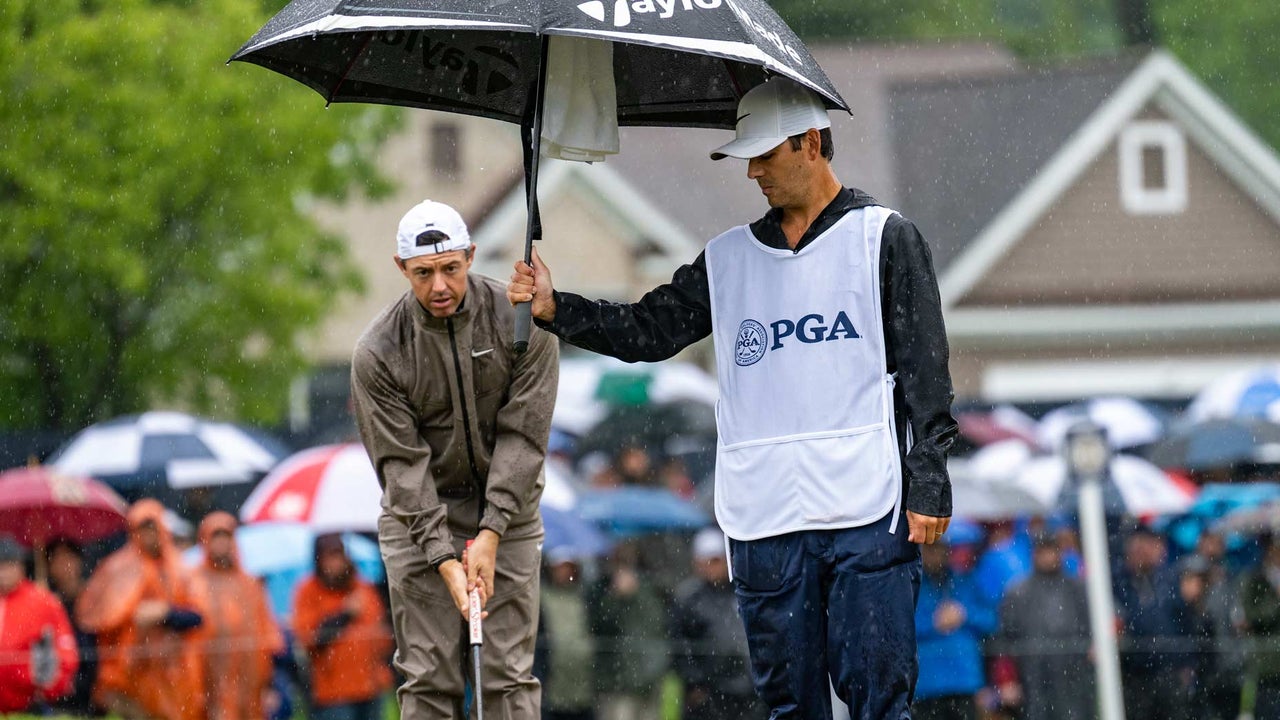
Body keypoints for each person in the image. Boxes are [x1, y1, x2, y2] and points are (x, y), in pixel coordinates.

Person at [508, 76, 957, 718]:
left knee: (880, 698)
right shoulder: (728, 260)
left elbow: (926, 372)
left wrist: (930, 479)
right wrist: (558, 308)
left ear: (810, 143)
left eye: (765, 154)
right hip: (764, 513)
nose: (752, 172)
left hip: (866, 502)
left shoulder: (885, 238)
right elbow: (649, 329)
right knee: (786, 706)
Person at [351, 199, 559, 718]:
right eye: (423, 273)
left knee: (508, 678)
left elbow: (524, 438)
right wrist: (443, 557)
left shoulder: (522, 323)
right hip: (419, 518)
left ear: (470, 255)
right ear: (402, 269)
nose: (439, 286)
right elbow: (400, 465)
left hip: (509, 516)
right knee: (429, 681)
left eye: (449, 268)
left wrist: (491, 531)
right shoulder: (377, 352)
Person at [75, 499, 205, 720]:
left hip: (175, 676)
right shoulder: (117, 568)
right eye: (142, 529)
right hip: (128, 679)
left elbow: (198, 616)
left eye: (153, 528)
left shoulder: (180, 568)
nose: (149, 536)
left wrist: (165, 613)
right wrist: (130, 616)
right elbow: (96, 619)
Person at [189, 512, 283, 720]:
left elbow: (268, 633)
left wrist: (270, 683)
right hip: (209, 681)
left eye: (226, 535)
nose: (221, 542)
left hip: (250, 680)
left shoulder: (249, 584)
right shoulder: (192, 583)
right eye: (215, 536)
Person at [292, 533, 393, 720]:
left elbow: (381, 635)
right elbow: (308, 639)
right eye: (329, 557)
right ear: (318, 560)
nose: (335, 562)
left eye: (338, 555)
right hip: (333, 693)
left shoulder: (363, 588)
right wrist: (344, 614)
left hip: (371, 687)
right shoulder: (307, 591)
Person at [993, 531, 1092, 720]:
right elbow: (1004, 638)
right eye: (1043, 551)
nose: (1048, 556)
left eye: (1052, 550)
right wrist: (1008, 678)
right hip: (1031, 675)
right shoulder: (1017, 592)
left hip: (1072, 675)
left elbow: (1090, 628)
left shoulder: (1077, 588)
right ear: (1034, 554)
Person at [669, 527, 765, 720]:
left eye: (715, 560)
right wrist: (694, 683)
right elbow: (679, 645)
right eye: (704, 561)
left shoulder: (743, 591)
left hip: (747, 691)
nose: (709, 567)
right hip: (709, 692)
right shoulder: (688, 599)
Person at [912, 537, 995, 720]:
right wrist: (933, 623)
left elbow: (990, 620)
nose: (935, 556)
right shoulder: (912, 586)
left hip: (964, 679)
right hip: (927, 684)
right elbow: (903, 629)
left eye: (939, 549)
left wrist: (964, 614)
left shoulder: (966, 581)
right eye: (930, 549)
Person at [585, 541, 669, 720]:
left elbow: (657, 628)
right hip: (616, 683)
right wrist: (615, 596)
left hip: (649, 678)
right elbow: (598, 626)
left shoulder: (651, 585)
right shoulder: (598, 585)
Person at [0, 535, 79, 713]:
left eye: (8, 565)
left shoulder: (43, 601)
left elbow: (66, 650)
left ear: (20, 567)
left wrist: (51, 687)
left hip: (30, 703)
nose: (3, 572)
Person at [538, 548, 597, 720]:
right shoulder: (541, 597)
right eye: (559, 567)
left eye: (568, 567)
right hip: (552, 686)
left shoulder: (585, 597)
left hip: (583, 686)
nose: (563, 572)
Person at [44, 538, 98, 716]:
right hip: (59, 686)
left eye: (68, 558)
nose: (63, 565)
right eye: (56, 559)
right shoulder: (46, 603)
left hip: (93, 684)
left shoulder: (95, 598)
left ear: (79, 561)